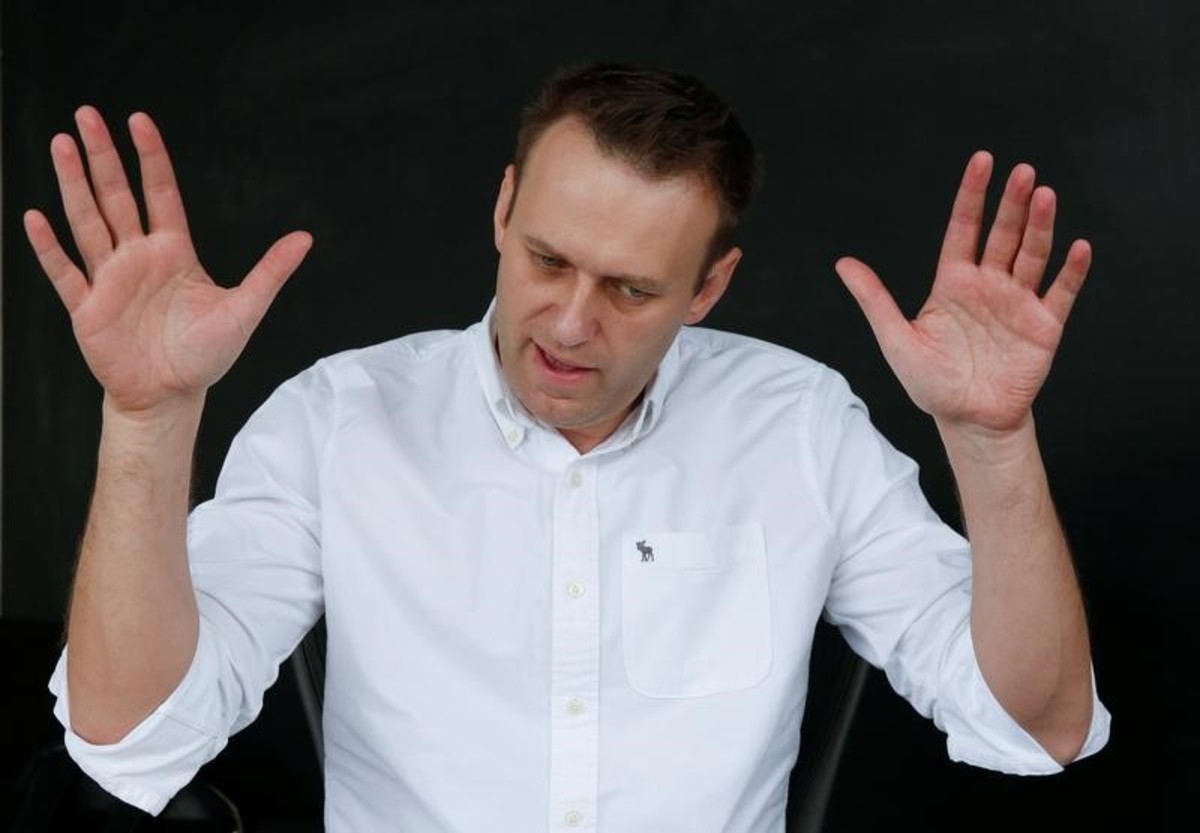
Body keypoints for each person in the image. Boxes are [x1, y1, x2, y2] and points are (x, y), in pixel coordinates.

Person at [25, 64, 1109, 831]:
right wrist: (148, 418)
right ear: (504, 209)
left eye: (632, 288)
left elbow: (1035, 726)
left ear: (709, 287)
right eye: (548, 259)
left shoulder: (801, 426)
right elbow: (130, 735)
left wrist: (992, 439)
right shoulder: (338, 418)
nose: (573, 323)